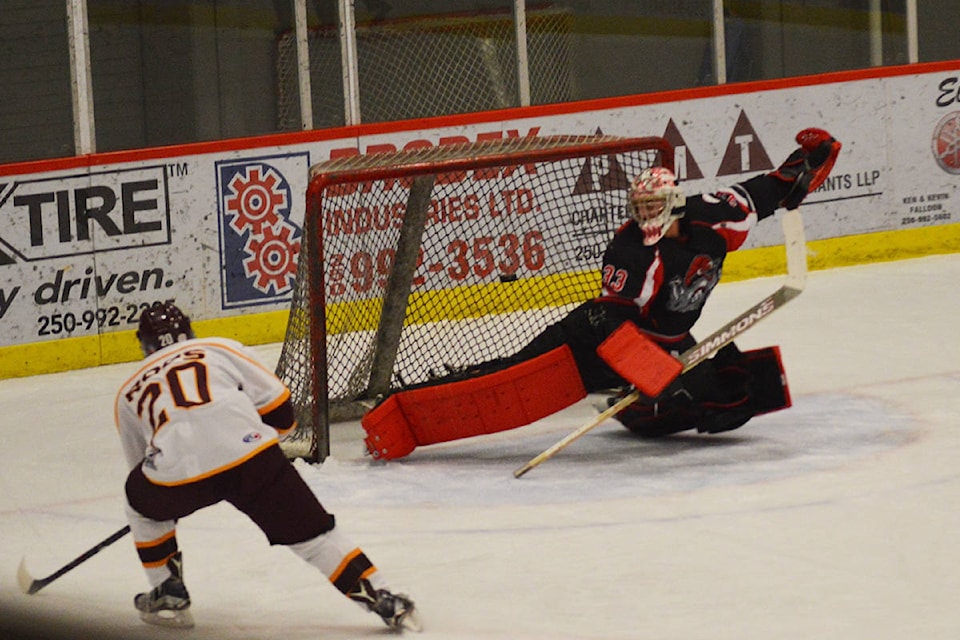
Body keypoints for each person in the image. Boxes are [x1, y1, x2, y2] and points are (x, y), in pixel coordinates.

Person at [361, 128, 841, 459]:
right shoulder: (628, 249)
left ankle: (643, 409)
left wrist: (811, 162)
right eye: (639, 205)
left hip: (667, 342)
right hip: (591, 341)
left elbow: (774, 189)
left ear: (675, 203)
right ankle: (404, 408)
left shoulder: (719, 216)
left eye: (654, 204)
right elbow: (614, 325)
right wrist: (654, 373)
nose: (645, 213)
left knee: (737, 399)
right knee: (506, 380)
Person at [114, 303, 420, 631]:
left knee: (141, 506)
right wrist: (256, 444)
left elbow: (139, 468)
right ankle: (383, 597)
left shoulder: (127, 391)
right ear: (189, 331)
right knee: (314, 536)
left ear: (144, 345)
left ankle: (167, 591)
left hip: (179, 476)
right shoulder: (220, 348)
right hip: (254, 460)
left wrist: (164, 508)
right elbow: (280, 406)